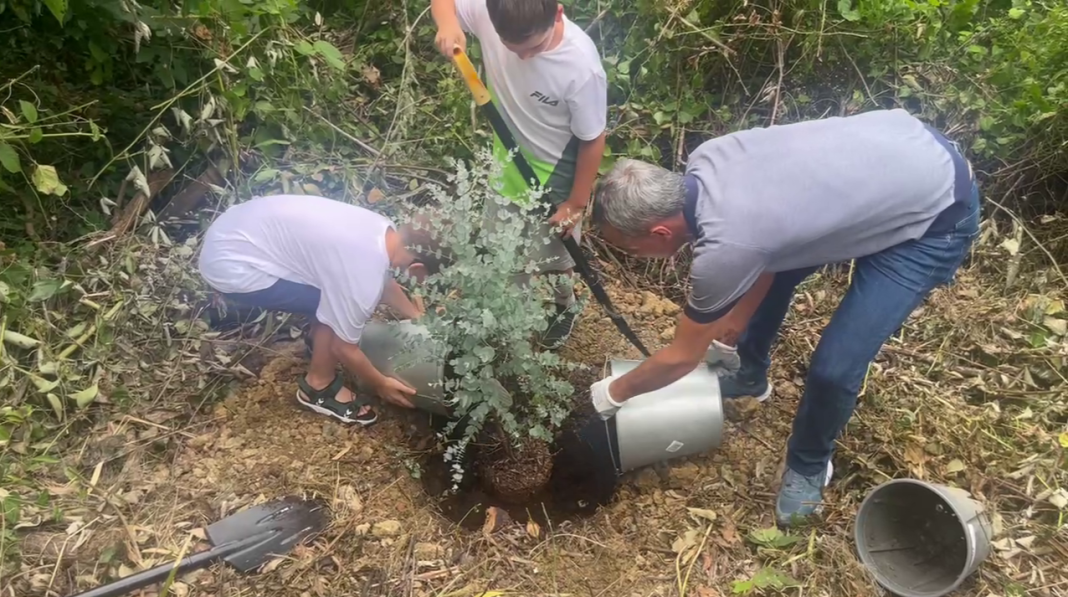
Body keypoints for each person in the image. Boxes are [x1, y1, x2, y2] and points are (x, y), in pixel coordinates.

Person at [587, 109, 981, 525]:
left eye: (630, 249)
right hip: (895, 161)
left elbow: (682, 357)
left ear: (660, 233)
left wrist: (611, 394)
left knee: (835, 366)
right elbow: (768, 249)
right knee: (762, 285)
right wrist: (733, 327)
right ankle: (749, 374)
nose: (631, 256)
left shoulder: (728, 245)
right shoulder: (708, 160)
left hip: (936, 212)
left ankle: (809, 464)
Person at [431, 0, 608, 348]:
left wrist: (575, 203)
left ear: (557, 13)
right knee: (506, 253)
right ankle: (512, 321)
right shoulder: (490, 11)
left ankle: (564, 305)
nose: (524, 57)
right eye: (512, 47)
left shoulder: (581, 67)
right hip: (506, 160)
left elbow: (593, 139)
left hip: (557, 172)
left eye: (534, 47)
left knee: (557, 256)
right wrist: (447, 24)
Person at [198, 194, 441, 426]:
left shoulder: (382, 230)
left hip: (235, 227)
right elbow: (344, 348)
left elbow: (384, 281)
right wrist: (380, 384)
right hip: (231, 263)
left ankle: (317, 342)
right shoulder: (363, 274)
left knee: (333, 294)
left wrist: (416, 316)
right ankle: (318, 386)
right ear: (418, 269)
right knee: (327, 304)